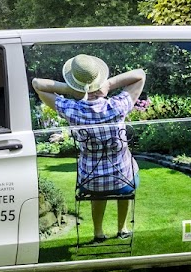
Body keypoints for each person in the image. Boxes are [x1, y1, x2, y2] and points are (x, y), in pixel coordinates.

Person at [32, 54, 146, 244]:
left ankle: (98, 232)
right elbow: (140, 74)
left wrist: (73, 90)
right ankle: (122, 228)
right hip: (123, 181)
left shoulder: (72, 110)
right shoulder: (117, 106)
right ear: (99, 79)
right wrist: (108, 85)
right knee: (128, 170)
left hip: (91, 183)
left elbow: (37, 84)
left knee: (99, 186)